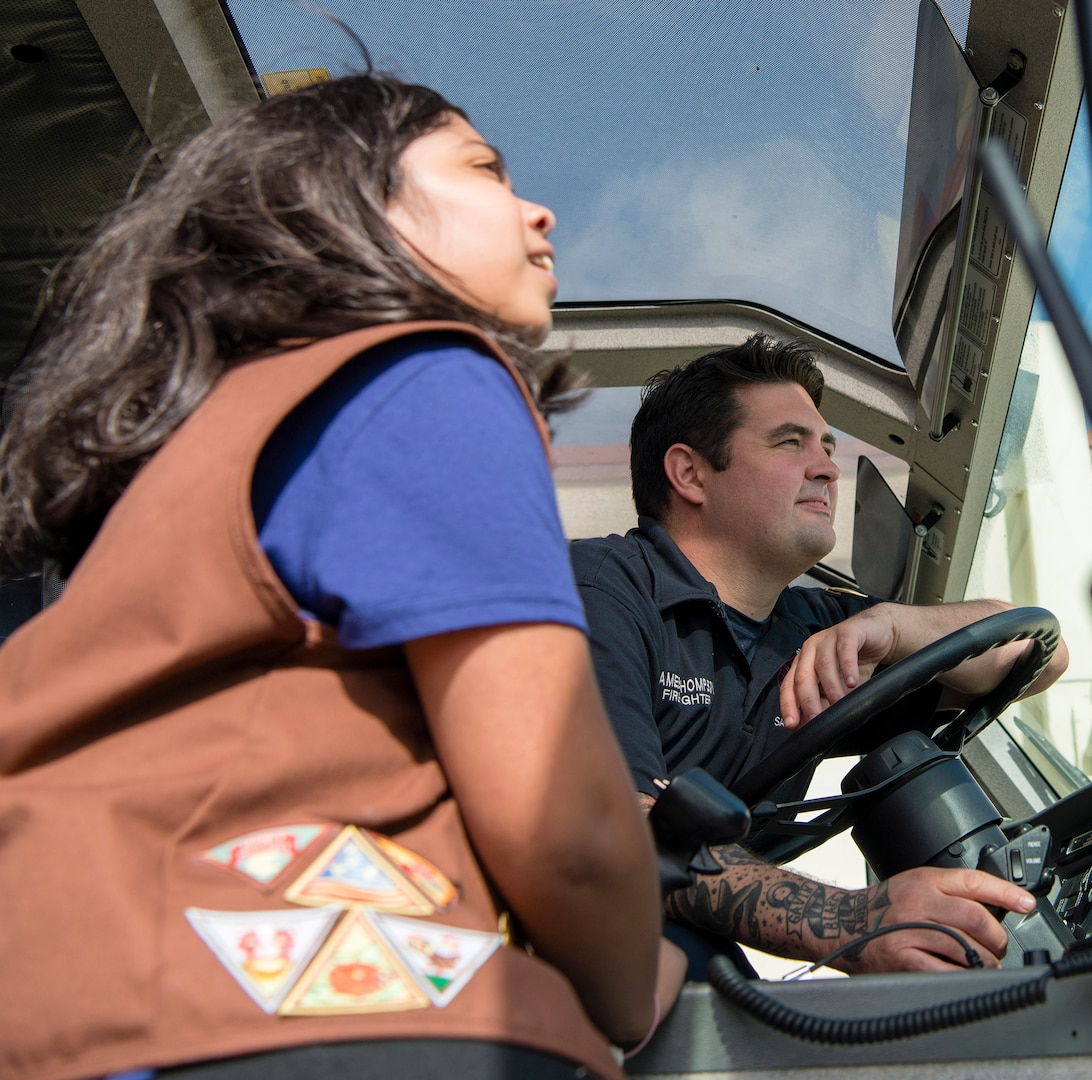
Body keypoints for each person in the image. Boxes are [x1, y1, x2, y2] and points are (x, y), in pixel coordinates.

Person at [0, 67, 686, 1080]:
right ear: (350, 200)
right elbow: (565, 827)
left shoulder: (220, 432)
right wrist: (639, 982)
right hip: (254, 1006)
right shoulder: (428, 373)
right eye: (484, 169)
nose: (538, 210)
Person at [570, 335, 1069, 978]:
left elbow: (1038, 656)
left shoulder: (817, 625)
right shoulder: (600, 591)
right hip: (583, 951)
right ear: (691, 473)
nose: (829, 468)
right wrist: (856, 921)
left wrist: (894, 624)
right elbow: (616, 831)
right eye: (790, 442)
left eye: (828, 446)